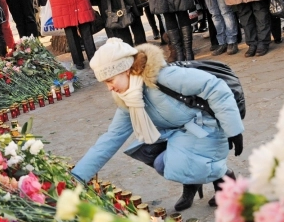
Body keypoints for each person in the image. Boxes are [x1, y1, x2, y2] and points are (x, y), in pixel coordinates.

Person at [71, 38, 243, 211]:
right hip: (178, 130)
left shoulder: (162, 77)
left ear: (126, 71)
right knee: (146, 150)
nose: (109, 88)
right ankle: (191, 181)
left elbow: (215, 87)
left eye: (110, 80)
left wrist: (233, 129)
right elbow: (111, 138)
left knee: (167, 163)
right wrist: (76, 177)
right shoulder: (129, 100)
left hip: (204, 126)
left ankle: (225, 179)